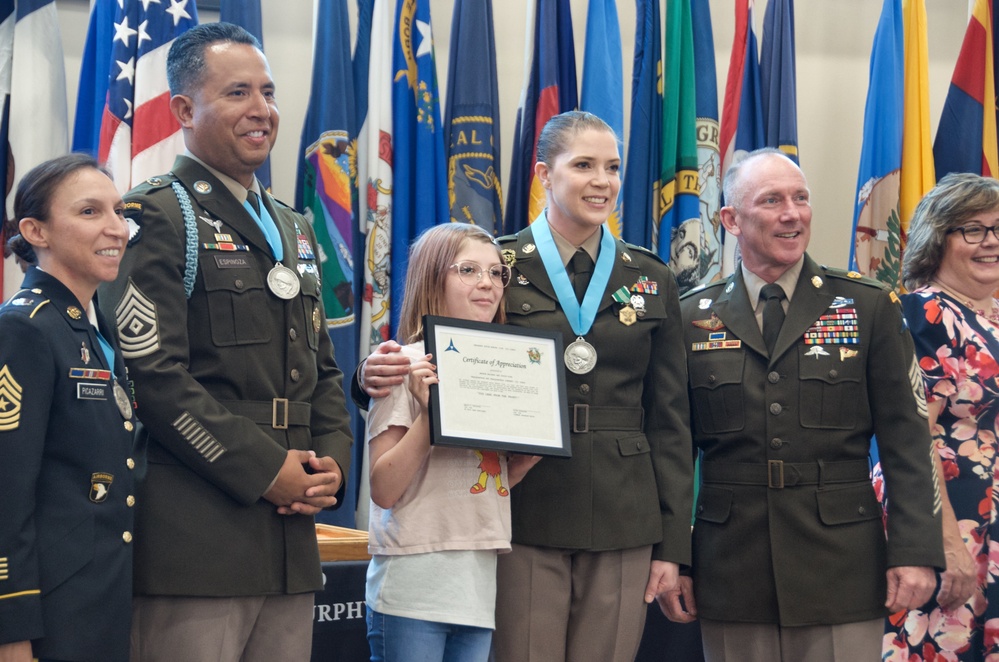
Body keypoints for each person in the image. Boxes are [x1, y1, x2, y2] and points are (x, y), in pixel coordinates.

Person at [361, 111, 695, 662]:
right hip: (523, 507)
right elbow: (433, 346)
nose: (602, 181)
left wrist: (673, 546)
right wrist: (367, 376)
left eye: (612, 167)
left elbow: (671, 419)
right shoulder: (497, 264)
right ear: (544, 174)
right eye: (584, 165)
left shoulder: (649, 276)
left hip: (624, 506)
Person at [98, 23, 353, 661]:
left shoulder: (294, 228)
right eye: (238, 92)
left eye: (267, 92)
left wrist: (332, 466)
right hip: (197, 539)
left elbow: (322, 368)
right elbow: (152, 378)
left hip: (291, 538)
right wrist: (267, 471)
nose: (262, 110)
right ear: (184, 110)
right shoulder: (153, 215)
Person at [678, 147, 944, 661]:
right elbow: (672, 451)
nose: (792, 213)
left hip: (840, 564)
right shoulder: (691, 316)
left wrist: (915, 552)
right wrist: (674, 558)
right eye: (772, 200)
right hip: (732, 565)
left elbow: (907, 441)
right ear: (730, 219)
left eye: (801, 198)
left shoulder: (866, 306)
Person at [364, 223, 540, 661]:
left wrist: (525, 458)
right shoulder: (402, 364)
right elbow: (384, 489)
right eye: (468, 270)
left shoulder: (505, 368)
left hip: (477, 583)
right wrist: (430, 417)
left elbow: (474, 484)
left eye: (497, 273)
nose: (487, 282)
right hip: (412, 582)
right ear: (432, 279)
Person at [0, 154, 134, 661]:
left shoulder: (94, 329)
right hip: (47, 619)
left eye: (119, 211)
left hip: (100, 604)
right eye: (89, 212)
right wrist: (11, 632)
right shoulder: (24, 328)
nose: (116, 228)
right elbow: (6, 496)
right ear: (36, 231)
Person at [882, 173, 999, 661]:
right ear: (937, 238)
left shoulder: (992, 313)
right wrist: (943, 543)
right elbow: (911, 440)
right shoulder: (922, 315)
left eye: (998, 228)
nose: (990, 241)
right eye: (973, 229)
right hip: (955, 524)